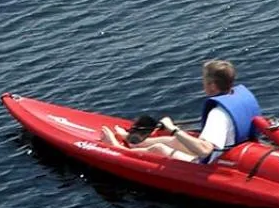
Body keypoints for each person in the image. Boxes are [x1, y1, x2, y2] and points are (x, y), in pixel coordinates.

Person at [100, 59, 260, 163]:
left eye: (204, 80)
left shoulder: (218, 114)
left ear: (212, 85)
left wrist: (173, 129)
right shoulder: (238, 97)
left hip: (214, 161)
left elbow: (205, 151)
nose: (202, 83)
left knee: (159, 149)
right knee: (174, 142)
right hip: (232, 150)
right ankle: (132, 141)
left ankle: (117, 148)